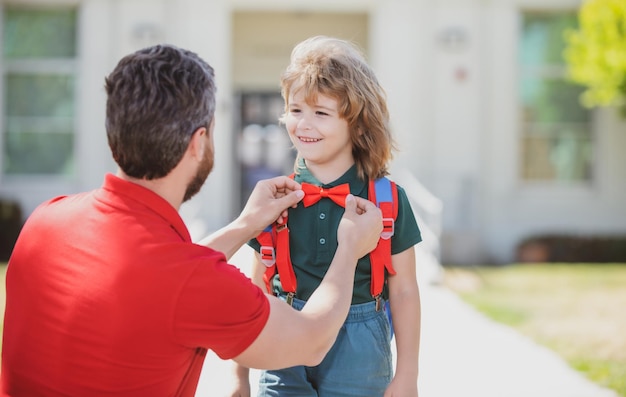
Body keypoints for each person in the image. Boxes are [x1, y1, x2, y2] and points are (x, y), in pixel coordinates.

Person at [0, 44, 384, 397]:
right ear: (198, 142)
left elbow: (154, 281)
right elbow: (313, 340)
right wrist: (349, 247)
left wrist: (244, 224)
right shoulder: (193, 284)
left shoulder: (44, 221)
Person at [231, 36, 423, 397]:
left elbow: (406, 291)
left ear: (359, 124)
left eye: (321, 113)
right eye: (296, 109)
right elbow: (254, 291)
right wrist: (239, 375)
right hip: (282, 342)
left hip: (360, 352)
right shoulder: (275, 199)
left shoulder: (388, 200)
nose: (304, 124)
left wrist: (408, 374)